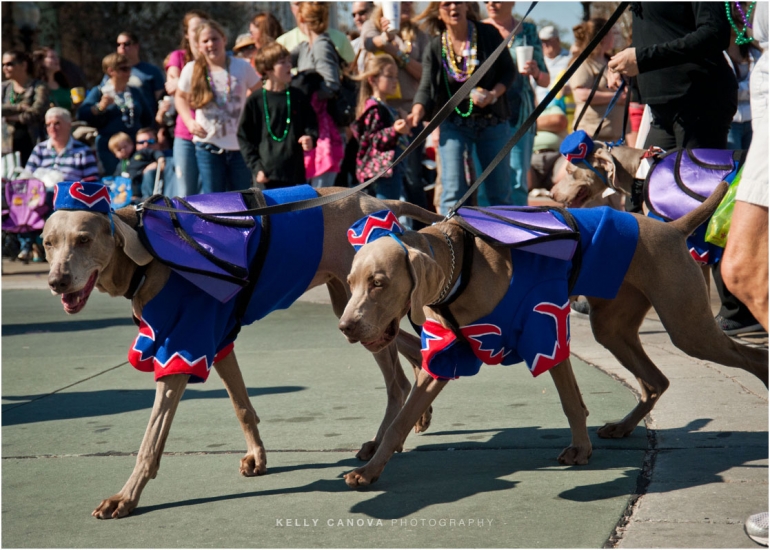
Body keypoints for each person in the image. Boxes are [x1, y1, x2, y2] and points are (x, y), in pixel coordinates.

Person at [607, 2, 759, 336]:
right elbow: (661, 31)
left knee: (705, 207)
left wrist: (642, 57)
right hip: (663, 107)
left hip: (699, 99)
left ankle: (741, 310)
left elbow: (713, 33)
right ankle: (626, 298)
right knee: (644, 203)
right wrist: (627, 64)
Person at [408, 1, 515, 216]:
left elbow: (508, 71)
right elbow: (426, 86)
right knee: (453, 189)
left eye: (458, 2)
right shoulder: (435, 46)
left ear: (466, 7)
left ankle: (504, 234)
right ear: (439, 13)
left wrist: (493, 94)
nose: (453, 7)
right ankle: (450, 234)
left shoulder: (488, 34)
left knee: (498, 192)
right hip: (454, 123)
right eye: (446, 4)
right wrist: (416, 112)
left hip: (492, 121)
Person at [361, 1, 431, 221]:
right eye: (400, 2)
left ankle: (422, 230)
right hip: (382, 112)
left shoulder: (419, 35)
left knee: (412, 178)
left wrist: (396, 51)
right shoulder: (372, 25)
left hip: (411, 114)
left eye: (409, 1)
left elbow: (425, 73)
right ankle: (384, 226)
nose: (406, 5)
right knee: (385, 181)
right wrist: (386, 36)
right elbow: (369, 43)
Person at [176, 20, 261, 193]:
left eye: (214, 39)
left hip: (239, 146)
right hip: (208, 145)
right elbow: (180, 97)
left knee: (242, 196)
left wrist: (250, 119)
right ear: (198, 46)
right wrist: (189, 122)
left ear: (224, 39)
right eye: (205, 41)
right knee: (213, 197)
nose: (211, 44)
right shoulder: (192, 69)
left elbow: (259, 93)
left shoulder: (241, 66)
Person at [483, 1, 550, 206]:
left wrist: (536, 72)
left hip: (520, 114)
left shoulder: (527, 31)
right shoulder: (478, 30)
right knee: (484, 178)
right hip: (486, 113)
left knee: (518, 180)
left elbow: (545, 80)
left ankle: (516, 224)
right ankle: (483, 223)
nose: (491, 4)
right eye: (485, 1)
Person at [237, 42, 318, 189]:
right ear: (267, 69)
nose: (289, 65)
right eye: (282, 62)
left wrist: (310, 138)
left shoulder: (297, 96)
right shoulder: (256, 100)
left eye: (289, 61)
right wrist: (256, 167)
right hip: (266, 177)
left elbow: (311, 125)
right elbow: (244, 137)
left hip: (294, 174)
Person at [293, 2, 345, 188]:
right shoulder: (306, 46)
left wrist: (308, 96)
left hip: (326, 131)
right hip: (314, 128)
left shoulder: (321, 46)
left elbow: (332, 85)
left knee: (321, 193)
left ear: (302, 19)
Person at [77, 53, 154, 175]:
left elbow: (148, 118)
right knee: (113, 179)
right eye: (124, 69)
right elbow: (82, 114)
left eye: (130, 68)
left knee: (136, 177)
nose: (129, 72)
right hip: (111, 148)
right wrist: (99, 107)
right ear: (111, 71)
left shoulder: (134, 91)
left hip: (133, 145)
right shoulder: (100, 91)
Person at [162, 9, 209, 197]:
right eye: (195, 29)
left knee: (212, 192)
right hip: (186, 132)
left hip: (212, 134)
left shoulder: (216, 59)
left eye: (203, 27)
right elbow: (171, 85)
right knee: (185, 192)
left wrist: (182, 85)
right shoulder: (178, 57)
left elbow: (178, 86)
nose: (199, 33)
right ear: (187, 34)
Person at [352, 55, 413, 199]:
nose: (395, 81)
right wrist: (395, 130)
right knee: (384, 210)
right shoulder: (374, 109)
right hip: (381, 174)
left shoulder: (387, 108)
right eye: (389, 76)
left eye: (396, 77)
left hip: (392, 170)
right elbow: (374, 140)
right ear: (372, 79)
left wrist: (403, 125)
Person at [570, 18, 626, 142]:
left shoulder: (610, 61)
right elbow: (581, 94)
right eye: (611, 33)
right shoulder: (584, 62)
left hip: (616, 136)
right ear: (603, 37)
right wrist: (615, 98)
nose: (614, 37)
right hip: (591, 137)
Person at [98, 31, 166, 116]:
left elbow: (161, 99)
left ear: (136, 46)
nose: (122, 47)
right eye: (118, 44)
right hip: (116, 117)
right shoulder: (113, 73)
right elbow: (101, 94)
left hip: (144, 118)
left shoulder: (152, 71)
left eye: (126, 44)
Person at [25, 107, 99, 183]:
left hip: (71, 189)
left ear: (69, 125)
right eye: (48, 124)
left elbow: (93, 182)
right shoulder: (39, 149)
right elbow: (26, 178)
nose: (52, 127)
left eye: (57, 123)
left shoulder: (83, 151)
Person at [724, 3, 762, 151]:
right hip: (730, 123)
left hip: (753, 120)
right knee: (733, 162)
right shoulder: (719, 54)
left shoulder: (755, 52)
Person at [2, 50, 49, 166]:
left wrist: (11, 117)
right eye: (3, 65)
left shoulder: (38, 86)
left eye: (9, 64)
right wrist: (19, 107)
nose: (5, 68)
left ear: (23, 65)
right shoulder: (4, 87)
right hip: (5, 145)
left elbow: (37, 112)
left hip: (31, 142)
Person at [277, 1, 356, 67]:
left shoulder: (340, 39)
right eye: (298, 4)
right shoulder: (282, 42)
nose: (303, 7)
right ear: (291, 8)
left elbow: (351, 72)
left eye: (307, 3)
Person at [108, 129, 173, 201]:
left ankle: (148, 198)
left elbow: (153, 153)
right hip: (131, 189)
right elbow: (116, 178)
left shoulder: (140, 153)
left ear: (131, 144)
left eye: (125, 147)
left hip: (144, 182)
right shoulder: (121, 165)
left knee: (148, 174)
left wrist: (160, 159)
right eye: (119, 149)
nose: (123, 150)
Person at [528, 97, 567, 196]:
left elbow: (559, 121)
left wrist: (528, 123)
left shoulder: (551, 108)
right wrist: (546, 123)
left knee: (573, 158)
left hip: (557, 157)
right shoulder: (520, 112)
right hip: (529, 158)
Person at [535, 25, 570, 103]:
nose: (544, 44)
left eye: (548, 41)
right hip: (540, 106)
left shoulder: (570, 59)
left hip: (564, 105)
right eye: (542, 41)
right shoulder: (538, 61)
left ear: (558, 40)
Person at [350, 1, 373, 74]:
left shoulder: (388, 39)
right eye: (354, 15)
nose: (357, 18)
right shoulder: (352, 46)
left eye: (361, 13)